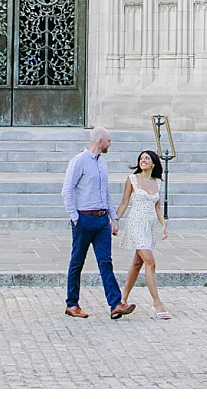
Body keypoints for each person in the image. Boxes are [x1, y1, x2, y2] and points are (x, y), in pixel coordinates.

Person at [60, 126, 135, 320]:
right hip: (84, 218)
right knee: (77, 261)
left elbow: (106, 193)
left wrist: (113, 217)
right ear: (100, 141)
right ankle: (72, 304)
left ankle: (115, 304)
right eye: (109, 141)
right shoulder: (78, 161)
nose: (110, 144)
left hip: (102, 220)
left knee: (106, 261)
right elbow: (67, 190)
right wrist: (75, 218)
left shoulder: (103, 164)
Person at [115, 149, 171, 319]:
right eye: (141, 158)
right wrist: (115, 220)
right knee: (150, 262)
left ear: (153, 163)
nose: (143, 160)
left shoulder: (158, 182)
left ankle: (122, 298)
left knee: (137, 264)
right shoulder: (132, 179)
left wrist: (163, 225)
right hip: (136, 223)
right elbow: (124, 202)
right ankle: (157, 303)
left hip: (149, 226)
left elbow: (158, 207)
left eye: (147, 158)